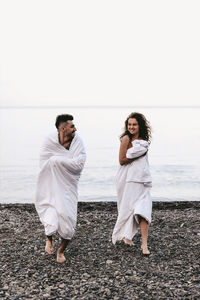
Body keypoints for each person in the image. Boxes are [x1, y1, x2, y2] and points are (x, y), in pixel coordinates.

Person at [35, 114, 86, 263]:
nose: (75, 128)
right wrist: (57, 162)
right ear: (63, 128)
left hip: (68, 185)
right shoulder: (49, 141)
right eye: (72, 126)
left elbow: (79, 164)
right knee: (50, 209)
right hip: (50, 182)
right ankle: (49, 239)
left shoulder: (77, 141)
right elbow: (44, 163)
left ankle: (61, 251)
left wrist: (56, 160)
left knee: (69, 218)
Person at [112, 112, 152, 255]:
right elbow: (122, 160)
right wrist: (133, 150)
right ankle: (126, 236)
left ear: (140, 126)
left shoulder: (143, 142)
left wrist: (133, 148)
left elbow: (129, 156)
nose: (131, 127)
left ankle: (144, 245)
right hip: (127, 180)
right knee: (127, 209)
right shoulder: (126, 139)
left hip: (141, 180)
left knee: (143, 210)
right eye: (129, 124)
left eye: (134, 124)